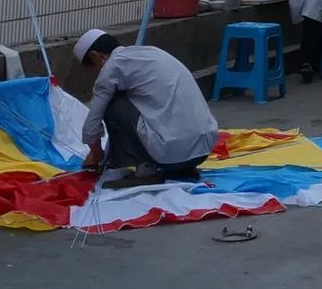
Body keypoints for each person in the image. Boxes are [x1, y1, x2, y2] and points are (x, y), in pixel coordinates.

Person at [74, 29, 218, 184]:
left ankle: (145, 171)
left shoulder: (112, 67)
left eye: (92, 69)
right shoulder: (151, 52)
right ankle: (185, 168)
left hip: (171, 155)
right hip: (203, 149)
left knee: (113, 104)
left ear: (97, 57)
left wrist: (96, 153)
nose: (96, 74)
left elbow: (91, 126)